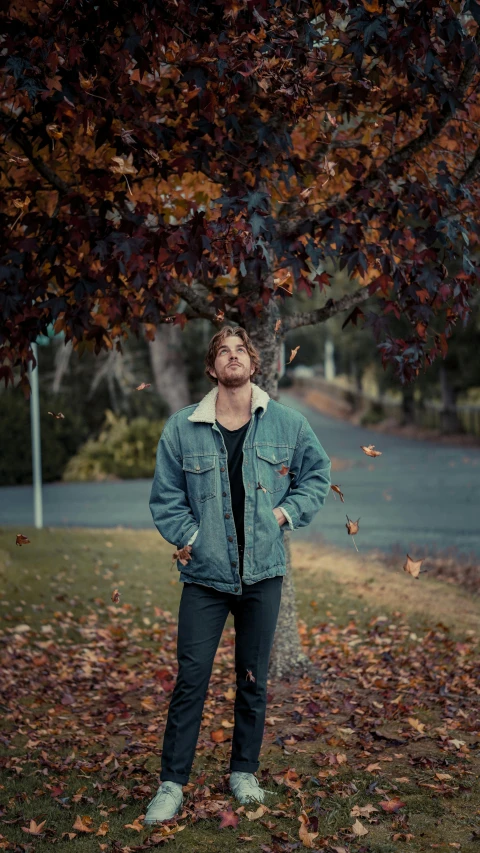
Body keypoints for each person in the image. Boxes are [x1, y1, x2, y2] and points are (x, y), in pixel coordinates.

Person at [144, 325, 331, 824]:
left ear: (254, 363)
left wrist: (283, 515)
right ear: (212, 368)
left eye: (240, 351)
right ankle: (172, 784)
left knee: (253, 679)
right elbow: (166, 497)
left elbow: (318, 474)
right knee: (192, 679)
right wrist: (191, 537)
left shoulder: (286, 423)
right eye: (223, 352)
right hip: (204, 577)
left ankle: (243, 771)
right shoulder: (181, 427)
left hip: (263, 573)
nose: (232, 358)